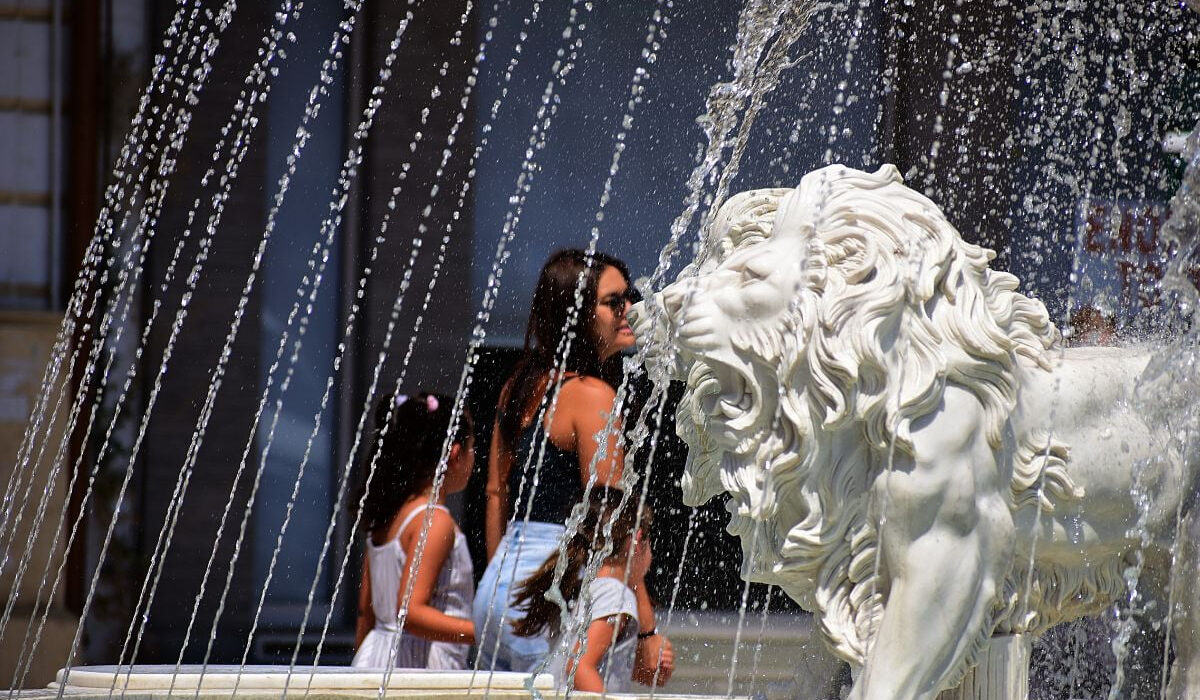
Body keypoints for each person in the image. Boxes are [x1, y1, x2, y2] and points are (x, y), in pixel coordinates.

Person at [473, 249, 672, 681]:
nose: (629, 310)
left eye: (630, 297)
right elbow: (612, 525)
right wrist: (647, 632)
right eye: (613, 301)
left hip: (500, 587)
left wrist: (501, 584)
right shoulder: (593, 396)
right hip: (551, 595)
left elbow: (495, 493)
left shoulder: (520, 385)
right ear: (577, 314)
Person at [352, 392, 476, 669]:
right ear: (455, 454)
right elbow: (410, 612)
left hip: (375, 657)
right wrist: (482, 633)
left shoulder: (390, 513)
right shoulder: (434, 521)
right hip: (417, 664)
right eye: (472, 447)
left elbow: (365, 612)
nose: (474, 457)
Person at [510, 487, 673, 693]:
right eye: (650, 542)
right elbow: (578, 668)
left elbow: (593, 660)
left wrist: (639, 669)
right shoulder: (616, 595)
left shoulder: (584, 587)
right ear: (637, 542)